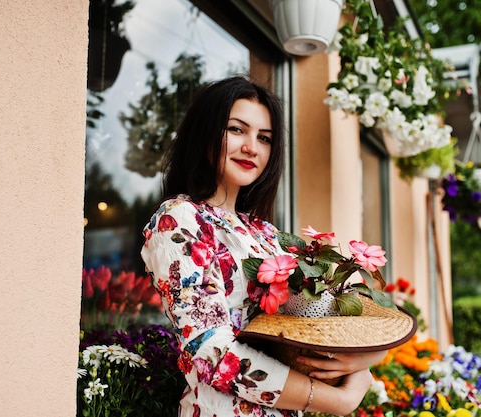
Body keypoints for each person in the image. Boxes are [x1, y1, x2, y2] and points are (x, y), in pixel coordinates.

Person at [141, 76, 386, 416]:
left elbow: (311, 325)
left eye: (264, 138)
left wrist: (371, 355)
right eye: (236, 130)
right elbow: (211, 352)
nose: (252, 147)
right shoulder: (180, 219)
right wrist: (339, 400)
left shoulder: (265, 234)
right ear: (206, 132)